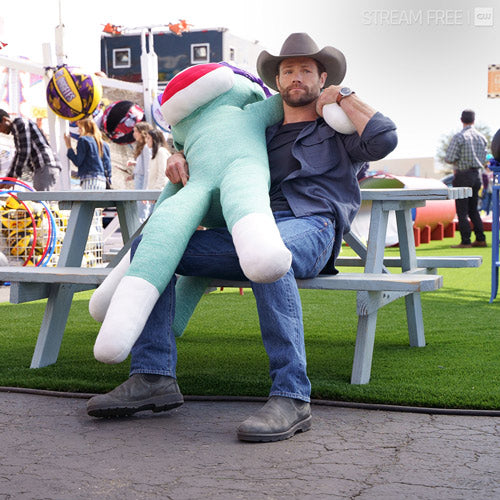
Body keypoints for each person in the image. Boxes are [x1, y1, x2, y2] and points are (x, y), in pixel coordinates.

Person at [87, 33, 398, 442]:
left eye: (306, 69)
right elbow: (210, 143)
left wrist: (345, 97)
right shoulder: (258, 131)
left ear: (322, 78)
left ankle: (292, 396)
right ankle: (153, 377)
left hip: (312, 225)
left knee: (271, 254)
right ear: (279, 81)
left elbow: (384, 138)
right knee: (158, 246)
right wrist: (182, 156)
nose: (296, 78)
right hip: (252, 226)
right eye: (288, 71)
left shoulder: (337, 131)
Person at [445, 109, 487, 248]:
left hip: (463, 175)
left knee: (462, 210)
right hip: (477, 175)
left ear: (461, 119)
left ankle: (465, 241)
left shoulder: (459, 137)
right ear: (474, 120)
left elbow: (449, 158)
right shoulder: (482, 138)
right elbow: (484, 158)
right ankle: (480, 238)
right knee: (473, 209)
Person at [0, 109, 61, 190]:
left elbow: (24, 152)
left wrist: (14, 177)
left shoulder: (19, 124)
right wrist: (7, 179)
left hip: (45, 165)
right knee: (38, 199)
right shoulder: (17, 129)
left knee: (41, 200)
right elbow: (18, 155)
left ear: (5, 120)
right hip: (43, 167)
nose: (1, 131)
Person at [64, 118, 111, 190]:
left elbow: (77, 161)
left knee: (88, 201)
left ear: (85, 128)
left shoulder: (83, 140)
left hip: (89, 180)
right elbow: (108, 167)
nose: (78, 130)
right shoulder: (103, 144)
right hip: (102, 182)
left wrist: (69, 147)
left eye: (80, 128)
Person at [127, 121, 152, 220]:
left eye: (136, 131)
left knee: (142, 211)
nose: (134, 134)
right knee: (140, 210)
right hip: (139, 179)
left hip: (142, 181)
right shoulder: (141, 146)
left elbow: (148, 169)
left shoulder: (146, 147)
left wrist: (145, 190)